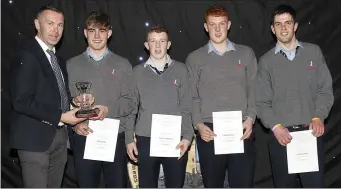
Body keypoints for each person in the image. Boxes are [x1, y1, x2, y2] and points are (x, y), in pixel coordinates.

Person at [256, 4, 334, 188]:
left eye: (288, 22)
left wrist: (318, 116)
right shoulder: (266, 62)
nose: (284, 28)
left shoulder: (313, 52)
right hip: (282, 139)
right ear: (272, 29)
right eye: (279, 24)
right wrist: (275, 127)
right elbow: (261, 101)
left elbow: (325, 90)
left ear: (295, 26)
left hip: (311, 134)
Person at [9, 4, 86, 187]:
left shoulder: (57, 59)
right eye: (50, 23)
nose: (56, 30)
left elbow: (55, 95)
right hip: (35, 140)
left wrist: (73, 104)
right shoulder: (27, 55)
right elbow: (21, 101)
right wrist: (60, 116)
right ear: (37, 24)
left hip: (59, 138)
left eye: (60, 25)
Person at [185, 4, 257, 188]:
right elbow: (192, 96)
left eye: (221, 24)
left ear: (229, 25)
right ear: (205, 26)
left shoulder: (246, 53)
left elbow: (254, 90)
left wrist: (250, 119)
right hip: (209, 132)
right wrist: (198, 125)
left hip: (241, 128)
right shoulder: (194, 58)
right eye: (212, 24)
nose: (217, 29)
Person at [67, 11, 133, 187]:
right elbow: (64, 102)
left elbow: (130, 102)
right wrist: (74, 124)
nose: (97, 36)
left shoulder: (123, 64)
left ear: (109, 33)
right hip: (84, 136)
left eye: (102, 30)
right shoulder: (71, 65)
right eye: (92, 30)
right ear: (84, 32)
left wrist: (108, 110)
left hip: (115, 137)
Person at [125, 25, 194, 188]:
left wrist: (187, 137)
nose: (157, 46)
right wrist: (129, 139)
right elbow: (130, 109)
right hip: (146, 138)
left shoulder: (182, 70)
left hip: (175, 139)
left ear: (168, 44)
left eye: (162, 41)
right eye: (153, 41)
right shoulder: (136, 73)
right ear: (146, 45)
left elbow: (187, 106)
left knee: (175, 185)